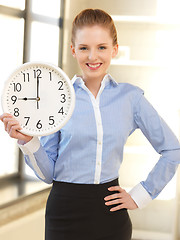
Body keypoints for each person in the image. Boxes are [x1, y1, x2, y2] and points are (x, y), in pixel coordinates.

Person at [0, 8, 180, 240]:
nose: (92, 57)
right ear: (73, 50)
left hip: (110, 213)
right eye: (84, 48)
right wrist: (27, 141)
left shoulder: (131, 98)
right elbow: (49, 174)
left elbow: (172, 150)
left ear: (114, 50)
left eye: (101, 47)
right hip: (62, 212)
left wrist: (141, 194)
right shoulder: (57, 99)